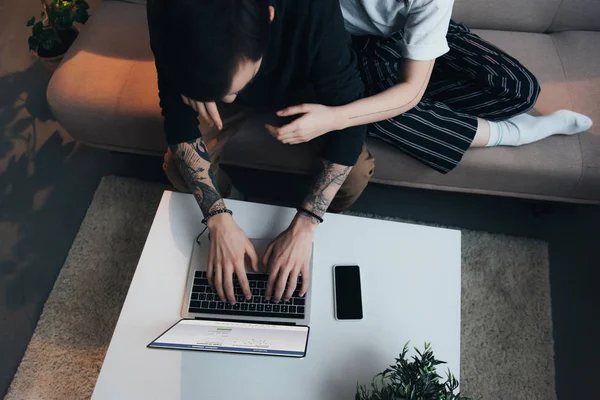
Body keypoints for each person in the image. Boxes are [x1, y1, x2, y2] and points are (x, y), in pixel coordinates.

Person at [147, 0, 372, 305]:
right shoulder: (168, 12)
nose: (230, 97)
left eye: (239, 84)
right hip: (209, 83)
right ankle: (234, 213)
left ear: (269, 15)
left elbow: (349, 120)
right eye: (225, 92)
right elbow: (177, 119)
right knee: (178, 166)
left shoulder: (314, 9)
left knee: (354, 175)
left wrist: (306, 223)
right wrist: (217, 218)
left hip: (306, 96)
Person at [270, 0, 593, 174]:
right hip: (342, 45)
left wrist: (335, 119)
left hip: (404, 34)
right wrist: (341, 116)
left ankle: (428, 111)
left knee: (518, 90)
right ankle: (515, 133)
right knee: (369, 111)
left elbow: (411, 89)